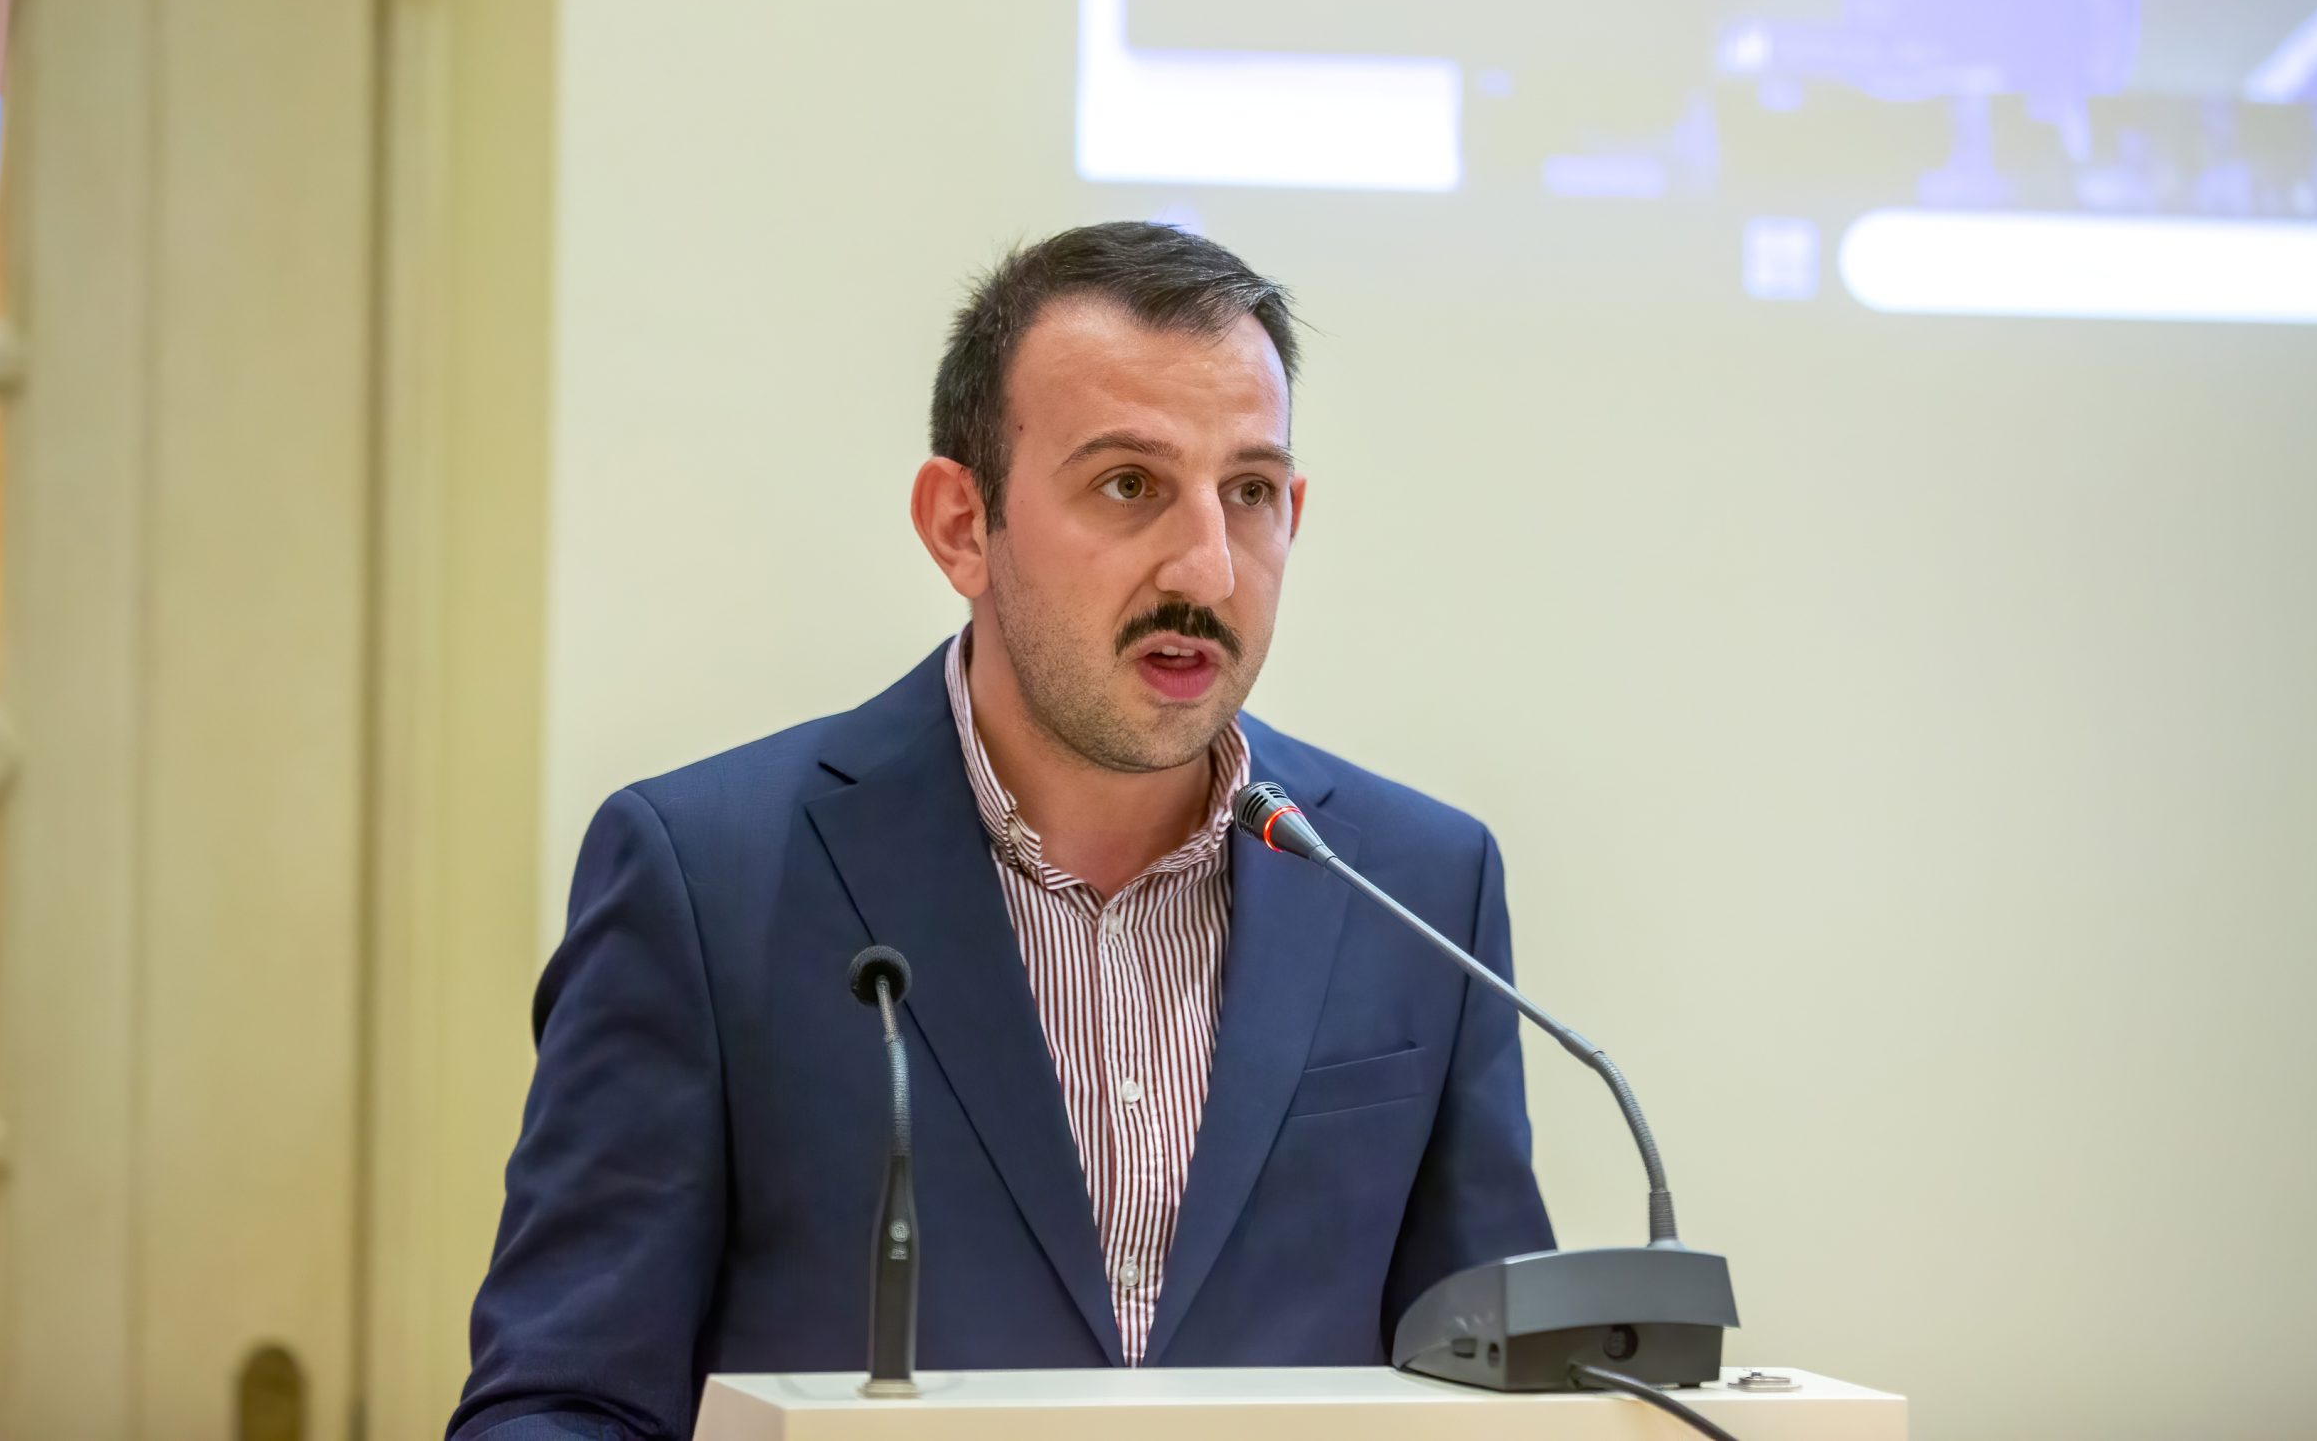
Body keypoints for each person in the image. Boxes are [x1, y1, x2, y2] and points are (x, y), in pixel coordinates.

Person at [451, 222, 1553, 1438]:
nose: (1207, 570)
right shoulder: (708, 880)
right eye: (1128, 485)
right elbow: (562, 1402)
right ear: (960, 526)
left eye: (1247, 494)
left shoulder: (1415, 889)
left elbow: (1498, 1398)